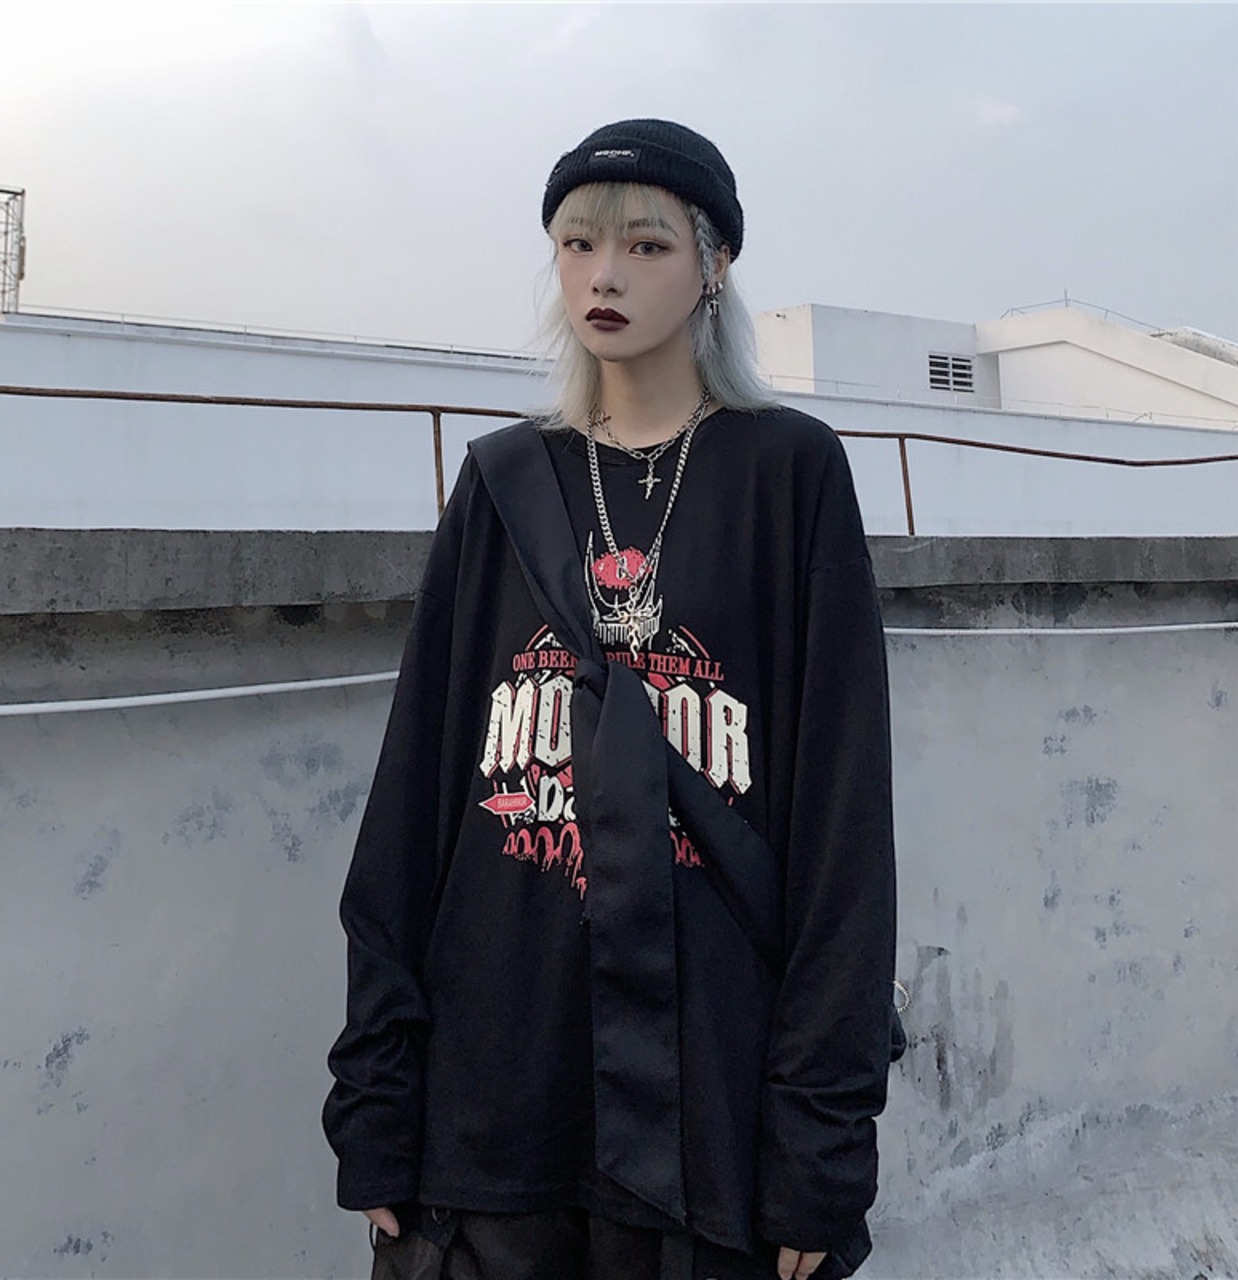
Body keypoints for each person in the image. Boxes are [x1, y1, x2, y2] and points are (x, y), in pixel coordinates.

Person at [323, 118, 898, 1280]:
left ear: (712, 264)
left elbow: (841, 827)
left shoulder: (787, 471)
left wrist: (819, 1143)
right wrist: (377, 1101)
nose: (604, 274)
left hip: (707, 1112)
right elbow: (413, 800)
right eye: (578, 243)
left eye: (645, 245)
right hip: (491, 1104)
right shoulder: (500, 481)